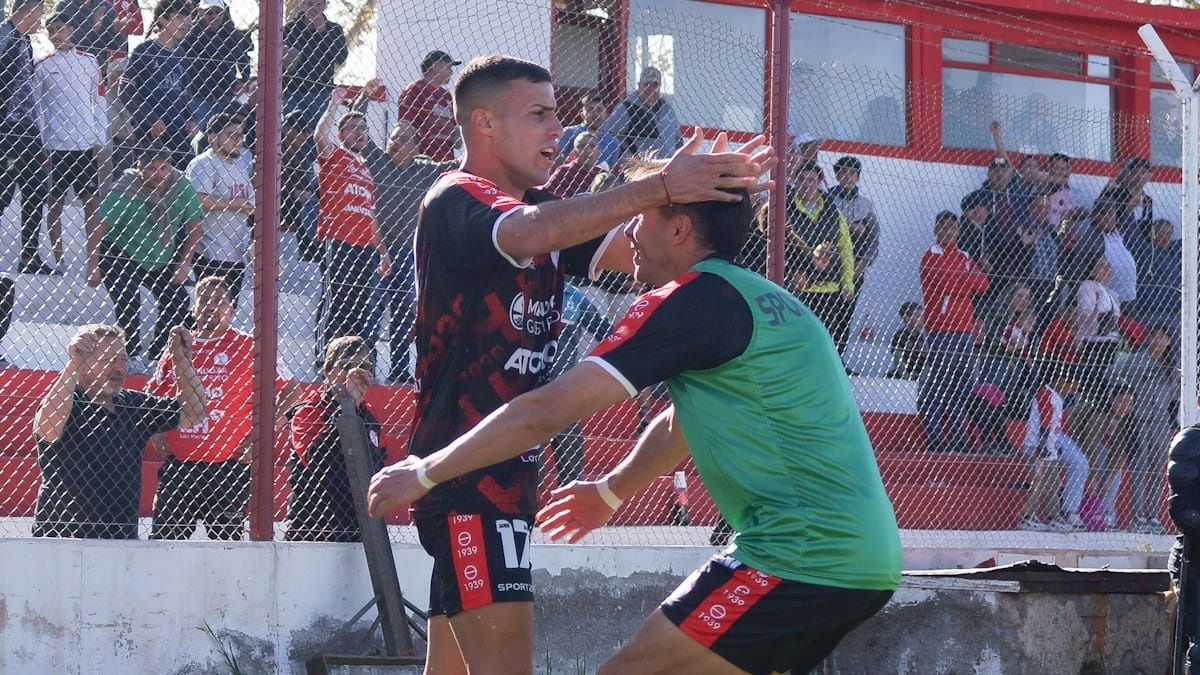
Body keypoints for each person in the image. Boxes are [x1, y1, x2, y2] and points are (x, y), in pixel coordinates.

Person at [367, 183, 899, 675]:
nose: (630, 233)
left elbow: (547, 411)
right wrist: (610, 490)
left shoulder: (690, 301)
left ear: (678, 229)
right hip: (858, 557)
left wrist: (427, 473)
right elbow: (683, 423)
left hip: (801, 555)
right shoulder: (760, 298)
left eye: (642, 218)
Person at [373, 54, 769, 675]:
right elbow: (529, 233)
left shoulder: (544, 207)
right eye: (539, 114)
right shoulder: (458, 198)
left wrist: (716, 202)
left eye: (556, 114)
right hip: (466, 477)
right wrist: (663, 187)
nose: (557, 128)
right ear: (484, 124)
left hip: (504, 476)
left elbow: (642, 253)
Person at [148, 276, 300, 539]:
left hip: (228, 466)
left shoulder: (252, 347)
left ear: (231, 309)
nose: (210, 305)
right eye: (204, 300)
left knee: (226, 545)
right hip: (179, 465)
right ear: (193, 309)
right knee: (164, 544)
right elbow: (154, 394)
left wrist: (260, 436)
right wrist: (157, 433)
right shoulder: (178, 347)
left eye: (218, 300)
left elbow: (292, 392)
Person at [31, 323, 204, 539]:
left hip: (121, 539)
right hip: (62, 538)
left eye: (123, 359)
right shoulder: (68, 401)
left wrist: (181, 361)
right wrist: (73, 364)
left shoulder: (132, 404)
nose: (119, 368)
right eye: (108, 360)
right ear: (83, 362)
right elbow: (46, 430)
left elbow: (193, 412)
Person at [351, 80, 453, 381]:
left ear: (416, 147)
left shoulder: (425, 170)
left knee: (404, 311)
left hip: (409, 254)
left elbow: (461, 163)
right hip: (378, 250)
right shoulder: (379, 162)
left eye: (403, 138)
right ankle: (366, 366)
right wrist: (365, 96)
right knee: (372, 310)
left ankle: (398, 369)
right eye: (394, 137)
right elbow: (358, 125)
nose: (395, 142)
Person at [89, 141, 204, 373]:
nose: (157, 174)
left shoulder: (181, 186)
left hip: (161, 254)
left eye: (163, 168)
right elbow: (99, 227)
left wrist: (184, 265)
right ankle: (130, 355)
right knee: (129, 300)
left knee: (178, 301)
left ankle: (156, 356)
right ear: (139, 168)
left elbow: (195, 227)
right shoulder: (126, 187)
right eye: (151, 168)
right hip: (120, 250)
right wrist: (93, 266)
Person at [313, 88, 391, 371]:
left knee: (359, 308)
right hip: (339, 240)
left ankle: (348, 362)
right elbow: (319, 136)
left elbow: (371, 215)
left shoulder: (367, 168)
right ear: (341, 134)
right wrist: (334, 104)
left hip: (366, 246)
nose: (360, 132)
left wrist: (382, 251)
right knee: (336, 303)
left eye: (363, 128)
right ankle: (324, 359)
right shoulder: (335, 156)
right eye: (353, 128)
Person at [286, 335, 385, 542]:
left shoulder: (369, 416)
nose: (356, 373)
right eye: (346, 366)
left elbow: (378, 466)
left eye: (364, 366)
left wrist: (354, 408)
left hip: (359, 528)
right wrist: (346, 409)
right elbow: (318, 463)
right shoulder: (309, 411)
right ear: (327, 371)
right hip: (313, 529)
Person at [34, 9, 107, 272]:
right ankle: (59, 258)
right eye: (51, 30)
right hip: (56, 145)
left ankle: (93, 260)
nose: (56, 34)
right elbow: (38, 107)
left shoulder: (89, 61)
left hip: (85, 144)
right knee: (55, 203)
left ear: (72, 30)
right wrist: (42, 142)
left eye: (61, 28)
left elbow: (99, 99)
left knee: (92, 203)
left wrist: (100, 137)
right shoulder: (42, 65)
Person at [919, 210, 988, 452]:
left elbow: (983, 284)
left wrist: (961, 278)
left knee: (963, 383)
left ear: (959, 231)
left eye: (953, 226)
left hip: (964, 329)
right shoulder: (931, 255)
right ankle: (935, 435)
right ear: (936, 230)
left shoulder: (964, 256)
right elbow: (946, 285)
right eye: (944, 226)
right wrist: (965, 279)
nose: (948, 230)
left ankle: (958, 437)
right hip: (941, 328)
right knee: (940, 380)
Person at [0, 0, 52, 274]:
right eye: (39, 14)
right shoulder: (6, 39)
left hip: (27, 128)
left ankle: (30, 255)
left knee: (36, 188)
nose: (40, 21)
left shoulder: (24, 41)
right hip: (7, 127)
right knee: (4, 191)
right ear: (28, 11)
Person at [1109, 325, 1176, 534]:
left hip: (1161, 421)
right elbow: (1111, 374)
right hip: (1137, 418)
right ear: (1148, 339)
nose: (1157, 341)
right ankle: (1137, 517)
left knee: (1157, 469)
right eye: (1154, 337)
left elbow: (1176, 393)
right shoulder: (1136, 360)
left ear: (1168, 342)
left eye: (1162, 337)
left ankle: (1153, 516)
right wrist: (1123, 396)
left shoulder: (1171, 366)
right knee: (1139, 467)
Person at [185, 111, 254, 306]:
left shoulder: (239, 167)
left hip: (236, 253)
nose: (238, 140)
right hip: (209, 253)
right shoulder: (204, 163)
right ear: (213, 136)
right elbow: (199, 200)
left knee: (227, 311)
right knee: (206, 310)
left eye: (240, 135)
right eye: (232, 135)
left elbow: (250, 203)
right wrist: (234, 205)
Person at [786, 161, 855, 354]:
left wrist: (847, 283)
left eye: (811, 180)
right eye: (801, 179)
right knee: (796, 339)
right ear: (795, 182)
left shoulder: (833, 211)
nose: (806, 184)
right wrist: (789, 274)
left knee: (823, 340)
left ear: (819, 183)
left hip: (829, 288)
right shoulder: (785, 207)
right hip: (798, 287)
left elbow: (846, 248)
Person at [120, 0, 196, 167]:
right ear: (163, 19)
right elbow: (125, 89)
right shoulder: (146, 50)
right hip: (151, 132)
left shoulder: (180, 53)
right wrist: (150, 118)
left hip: (178, 130)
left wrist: (191, 118)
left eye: (188, 18)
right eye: (179, 17)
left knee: (184, 174)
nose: (186, 23)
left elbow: (185, 91)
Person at [1017, 362, 1087, 532]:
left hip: (1050, 449)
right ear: (1060, 380)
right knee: (1039, 482)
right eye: (1072, 384)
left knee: (1053, 484)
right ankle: (1027, 517)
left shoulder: (1057, 397)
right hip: (1039, 448)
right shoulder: (1047, 394)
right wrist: (1043, 448)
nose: (1073, 389)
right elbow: (1045, 425)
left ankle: (1053, 517)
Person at [1071, 383, 1136, 532]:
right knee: (1095, 463)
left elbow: (1119, 450)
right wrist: (1093, 476)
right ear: (1111, 399)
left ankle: (1107, 516)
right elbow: (1090, 444)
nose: (1125, 407)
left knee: (1115, 474)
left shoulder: (1127, 420)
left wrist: (1110, 477)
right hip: (1072, 435)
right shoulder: (1099, 413)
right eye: (1121, 401)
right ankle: (1074, 513)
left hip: (1092, 443)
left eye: (1129, 403)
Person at [182, 0, 252, 130]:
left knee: (225, 132)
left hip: (225, 96)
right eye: (209, 12)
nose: (214, 16)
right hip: (198, 96)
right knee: (199, 134)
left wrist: (244, 79)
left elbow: (242, 58)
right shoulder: (190, 34)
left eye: (218, 12)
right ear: (200, 12)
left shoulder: (230, 34)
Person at [828, 155, 880, 325]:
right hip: (830, 264)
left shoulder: (866, 205)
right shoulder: (827, 199)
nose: (848, 177)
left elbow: (873, 238)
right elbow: (824, 227)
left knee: (845, 316)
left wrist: (863, 264)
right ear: (837, 176)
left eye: (852, 173)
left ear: (858, 177)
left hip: (856, 265)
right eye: (843, 172)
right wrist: (851, 226)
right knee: (827, 311)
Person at [602, 66, 683, 160]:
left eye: (655, 85)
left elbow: (678, 140)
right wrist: (628, 159)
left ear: (659, 87)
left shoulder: (668, 110)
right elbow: (609, 136)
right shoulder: (627, 107)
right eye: (647, 84)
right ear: (639, 85)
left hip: (668, 165)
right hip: (640, 166)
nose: (650, 89)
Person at [396, 49, 460, 162]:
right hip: (421, 161)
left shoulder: (446, 96)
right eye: (448, 67)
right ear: (435, 66)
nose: (451, 72)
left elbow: (455, 133)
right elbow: (404, 126)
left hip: (446, 161)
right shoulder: (415, 90)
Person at [1075, 256, 1121, 399]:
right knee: (1094, 385)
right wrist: (1097, 299)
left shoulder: (1112, 294)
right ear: (1093, 271)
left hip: (1111, 343)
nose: (1107, 270)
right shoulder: (1089, 286)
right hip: (1093, 342)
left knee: (1107, 383)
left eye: (1108, 266)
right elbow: (1085, 313)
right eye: (1102, 266)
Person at [557, 92, 620, 169]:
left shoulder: (613, 143)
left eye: (599, 110)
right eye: (590, 110)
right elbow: (556, 157)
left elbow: (612, 170)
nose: (596, 114)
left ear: (606, 115)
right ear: (582, 115)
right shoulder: (569, 132)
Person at [544, 131, 605, 197]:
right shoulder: (564, 171)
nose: (587, 150)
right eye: (582, 146)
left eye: (592, 146)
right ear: (575, 153)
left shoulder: (601, 174)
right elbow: (545, 194)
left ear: (599, 152)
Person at [888, 301, 924, 380]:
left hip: (920, 374)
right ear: (907, 318)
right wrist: (907, 376)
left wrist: (922, 376)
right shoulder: (900, 336)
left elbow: (927, 361)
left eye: (922, 316)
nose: (922, 320)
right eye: (918, 316)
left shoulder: (922, 338)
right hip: (904, 374)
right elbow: (898, 360)